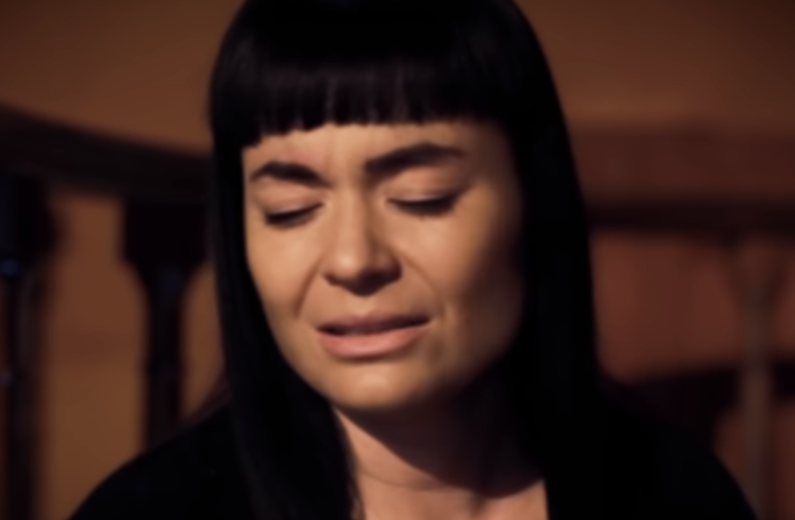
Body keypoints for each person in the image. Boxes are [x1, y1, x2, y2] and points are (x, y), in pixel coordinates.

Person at [70, 0, 756, 519]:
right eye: (289, 209)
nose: (353, 260)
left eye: (421, 198)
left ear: (532, 200)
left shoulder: (672, 493)